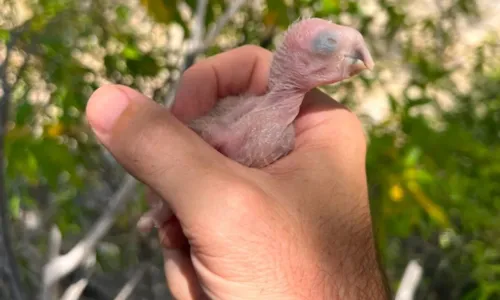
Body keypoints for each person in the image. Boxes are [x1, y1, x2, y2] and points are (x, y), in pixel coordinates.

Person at [86, 45, 390, 299]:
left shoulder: (283, 130)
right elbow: (216, 138)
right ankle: (160, 213)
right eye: (324, 48)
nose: (351, 55)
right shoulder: (267, 117)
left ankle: (160, 212)